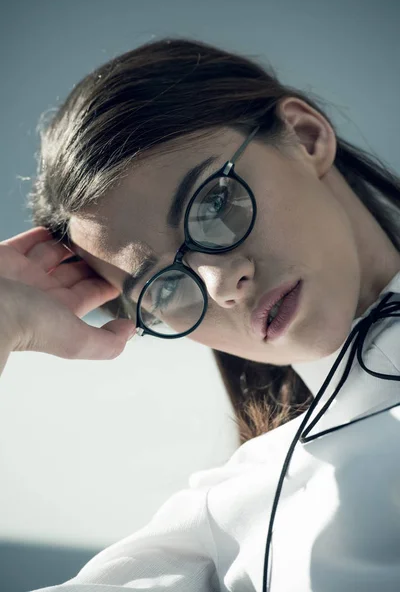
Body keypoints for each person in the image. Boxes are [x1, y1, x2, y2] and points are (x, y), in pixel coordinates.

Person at [1, 37, 400, 592]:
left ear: (305, 137)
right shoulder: (236, 516)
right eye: (164, 290)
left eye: (213, 204)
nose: (219, 286)